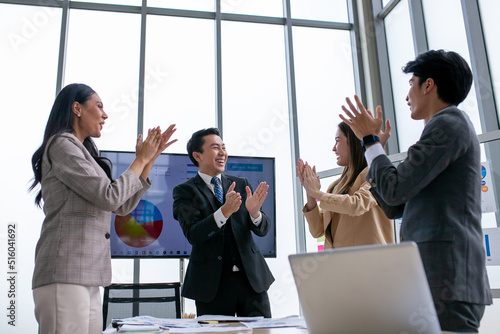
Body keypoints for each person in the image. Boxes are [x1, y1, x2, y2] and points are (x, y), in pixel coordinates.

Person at [340, 50, 492, 332]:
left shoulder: (448, 124)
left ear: (428, 85)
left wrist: (371, 143)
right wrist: (375, 150)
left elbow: (395, 190)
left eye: (411, 83)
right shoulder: (444, 127)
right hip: (438, 281)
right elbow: (394, 205)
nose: (407, 95)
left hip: (447, 280)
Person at [29, 83, 177, 334]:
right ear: (77, 108)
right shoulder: (62, 145)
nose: (105, 114)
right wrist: (139, 159)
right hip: (65, 272)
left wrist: (149, 160)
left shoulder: (83, 151)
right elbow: (109, 196)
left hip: (86, 275)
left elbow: (121, 205)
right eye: (99, 106)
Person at [172, 128, 274, 317]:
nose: (222, 153)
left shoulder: (242, 184)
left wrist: (255, 213)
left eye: (223, 148)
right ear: (197, 155)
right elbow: (194, 233)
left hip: (251, 281)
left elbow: (263, 229)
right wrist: (224, 211)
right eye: (215, 148)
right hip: (212, 286)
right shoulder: (184, 191)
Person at [297, 121, 394, 249]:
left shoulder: (374, 174)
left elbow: (356, 204)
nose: (333, 148)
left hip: (371, 263)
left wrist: (316, 193)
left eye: (337, 140)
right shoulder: (336, 186)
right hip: (341, 263)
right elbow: (317, 231)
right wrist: (310, 194)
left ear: (354, 142)